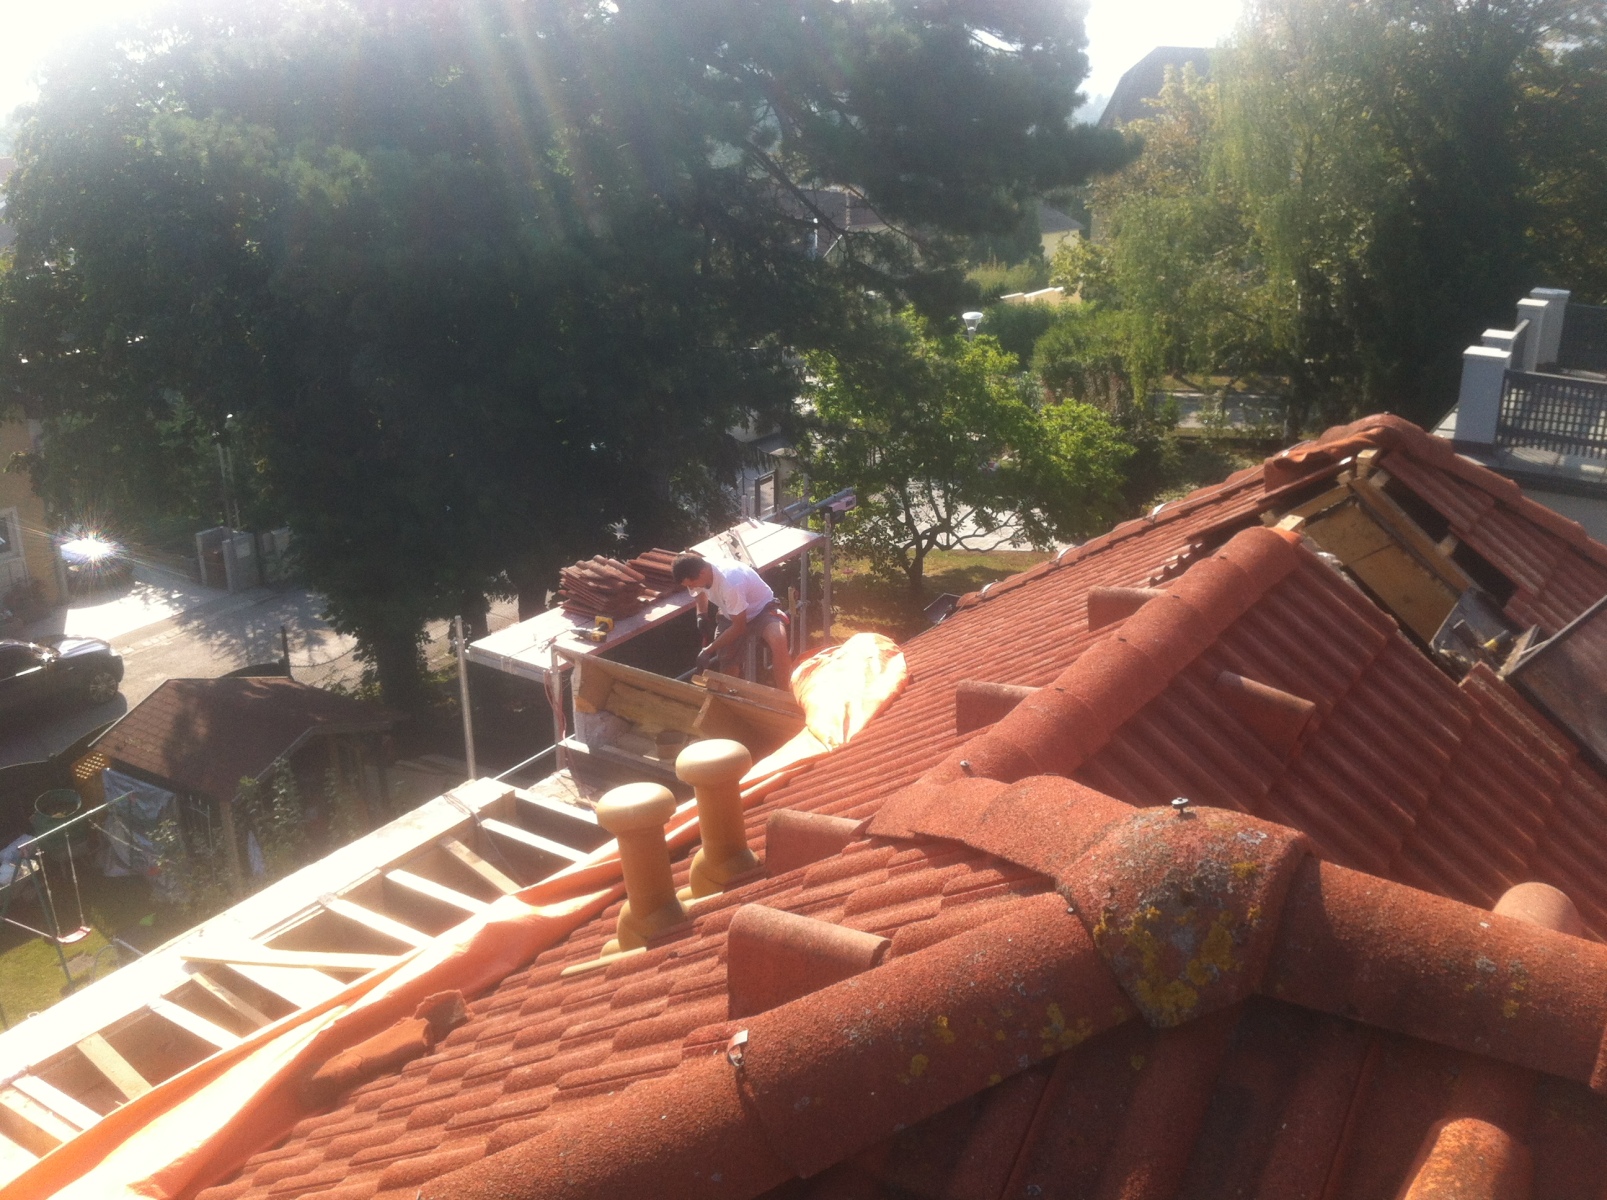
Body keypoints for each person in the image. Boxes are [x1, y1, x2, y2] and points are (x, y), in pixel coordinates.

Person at [671, 551, 794, 692]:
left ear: (703, 573)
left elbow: (739, 627)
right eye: (688, 586)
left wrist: (707, 651)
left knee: (778, 640)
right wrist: (701, 614)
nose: (692, 587)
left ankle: (786, 695)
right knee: (728, 657)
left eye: (692, 584)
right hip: (731, 614)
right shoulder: (698, 569)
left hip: (762, 610)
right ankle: (729, 695)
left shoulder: (730, 582)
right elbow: (698, 592)